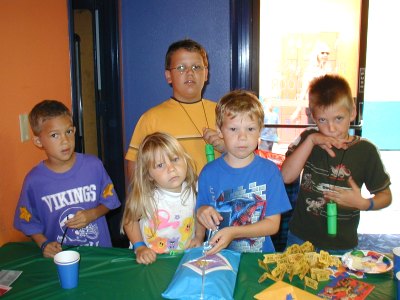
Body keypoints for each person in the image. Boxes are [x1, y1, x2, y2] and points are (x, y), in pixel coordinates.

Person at [281, 74, 392, 254]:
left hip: (341, 245)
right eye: (322, 120)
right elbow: (286, 176)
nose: (331, 128)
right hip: (300, 237)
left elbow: (386, 195)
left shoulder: (366, 151)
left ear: (353, 112)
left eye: (338, 118)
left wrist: (365, 203)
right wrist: (311, 141)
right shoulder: (308, 138)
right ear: (313, 117)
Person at [13, 100, 121, 258]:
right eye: (54, 135)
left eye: (69, 132)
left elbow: (110, 201)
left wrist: (93, 214)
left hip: (100, 254)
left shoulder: (93, 165)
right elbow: (28, 222)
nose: (65, 140)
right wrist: (43, 244)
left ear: (75, 130)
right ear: (38, 141)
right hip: (62, 257)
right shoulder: (34, 181)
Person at [196, 90, 292, 254]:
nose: (242, 137)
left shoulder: (270, 172)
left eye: (250, 129)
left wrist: (234, 232)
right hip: (219, 259)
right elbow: (200, 211)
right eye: (233, 129)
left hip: (259, 261)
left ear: (260, 131)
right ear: (220, 131)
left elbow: (273, 225)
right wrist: (201, 215)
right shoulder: (208, 173)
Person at [125, 39, 224, 178]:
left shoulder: (224, 113)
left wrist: (226, 148)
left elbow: (247, 156)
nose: (190, 73)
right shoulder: (151, 119)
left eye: (196, 67)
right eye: (181, 68)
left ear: (206, 74)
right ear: (168, 76)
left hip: (218, 197)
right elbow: (135, 169)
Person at [121, 132, 204, 265]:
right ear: (148, 175)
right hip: (151, 261)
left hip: (184, 258)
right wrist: (140, 247)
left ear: (185, 160)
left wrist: (199, 237)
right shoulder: (147, 197)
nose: (171, 169)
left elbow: (200, 213)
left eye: (175, 159)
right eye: (160, 165)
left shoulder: (195, 189)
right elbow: (129, 220)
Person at [291, 41, 333, 124]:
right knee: (314, 133)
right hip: (314, 107)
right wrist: (297, 110)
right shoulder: (310, 71)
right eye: (322, 53)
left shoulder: (329, 71)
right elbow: (304, 91)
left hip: (326, 108)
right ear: (317, 54)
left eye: (327, 53)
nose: (325, 55)